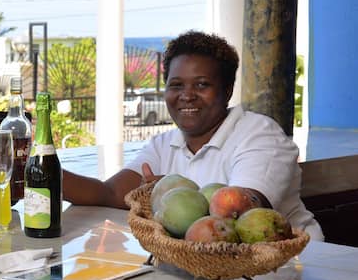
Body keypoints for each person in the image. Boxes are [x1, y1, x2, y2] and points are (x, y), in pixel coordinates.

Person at [62, 30, 322, 241]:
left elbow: (240, 212)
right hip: (207, 271)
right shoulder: (165, 144)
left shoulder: (260, 136)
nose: (187, 95)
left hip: (289, 271)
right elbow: (108, 193)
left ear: (228, 90)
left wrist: (172, 191)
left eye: (202, 84)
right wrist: (34, 170)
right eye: (176, 85)